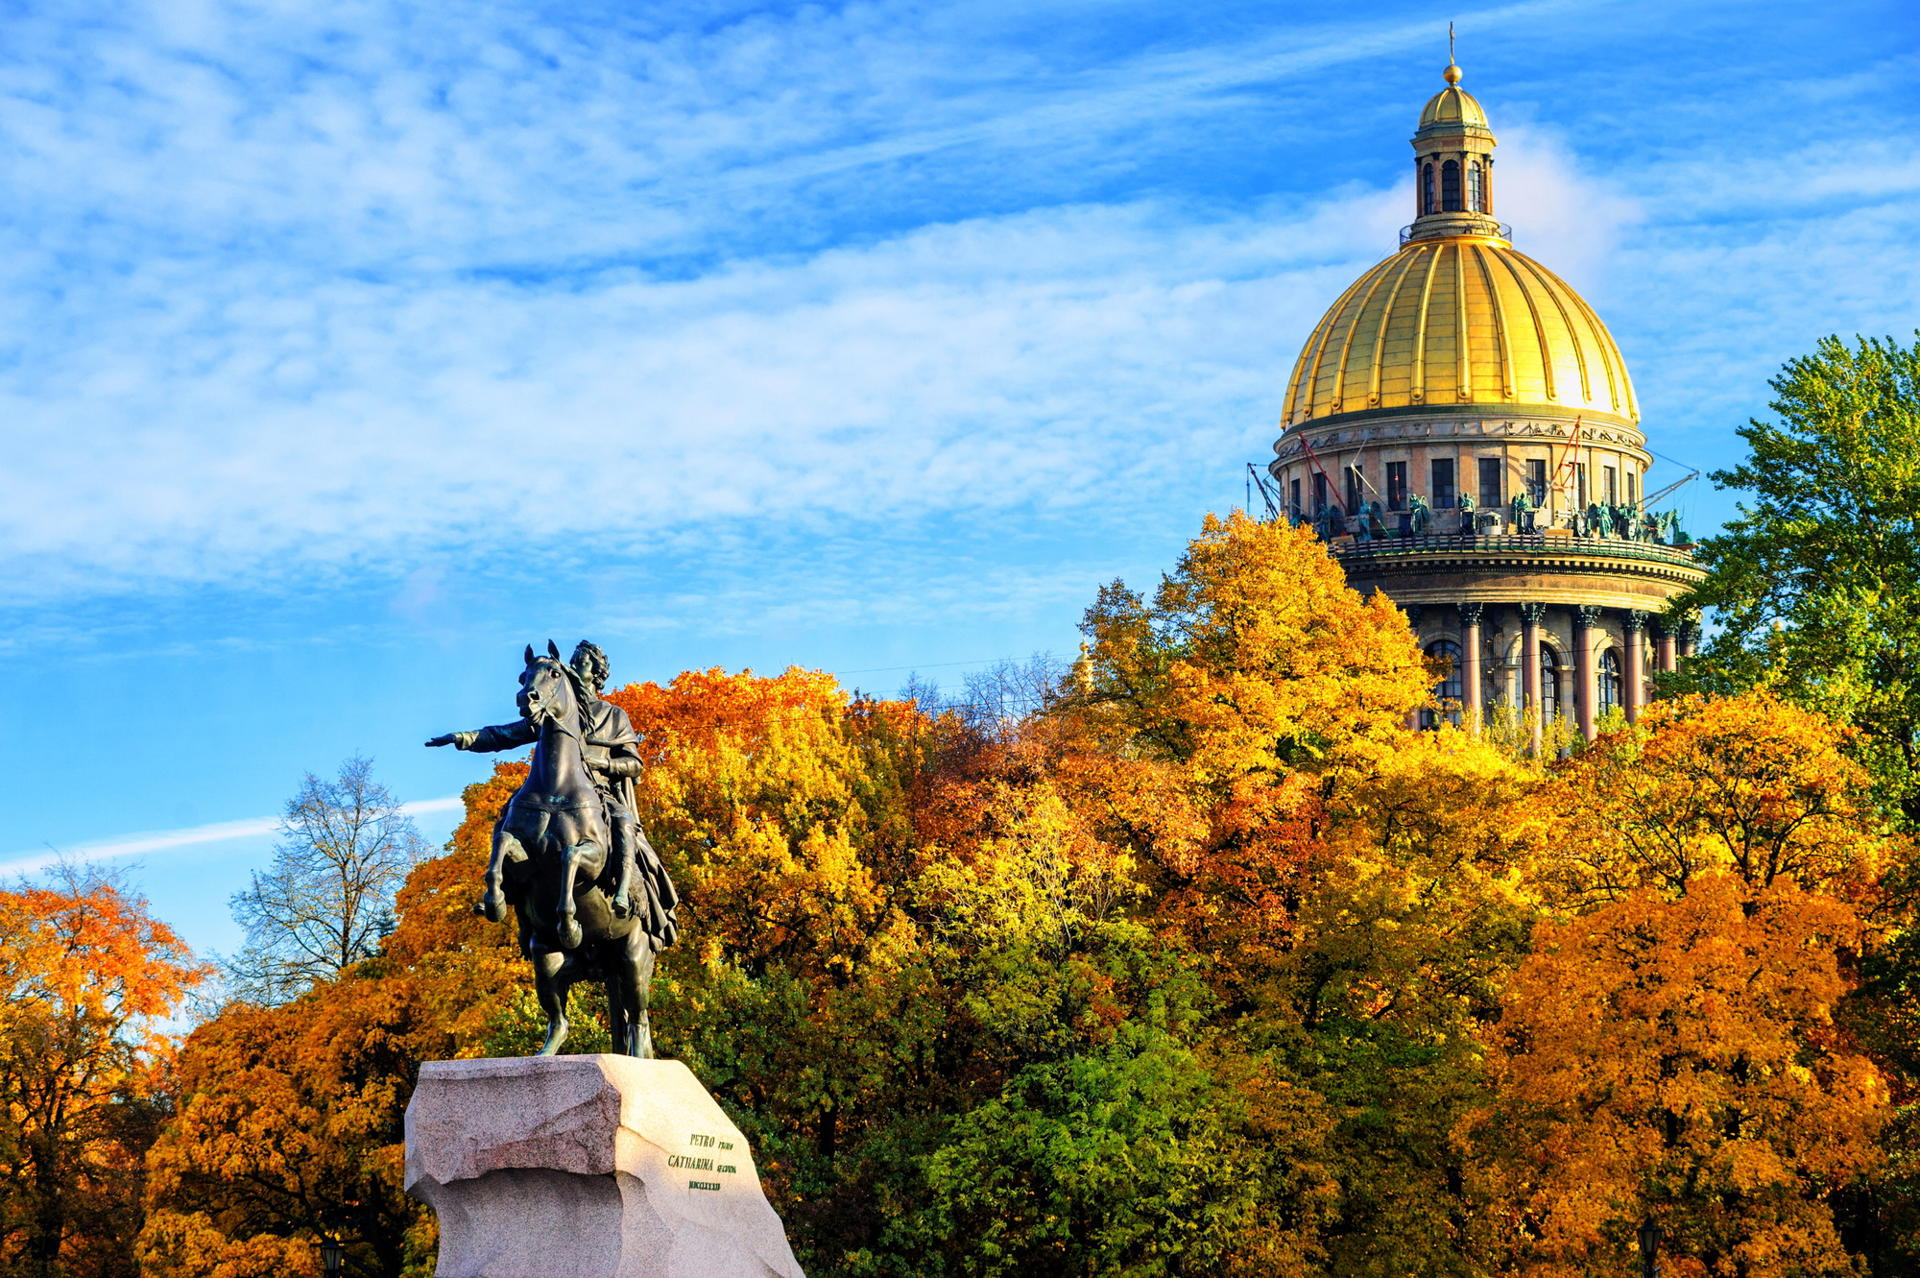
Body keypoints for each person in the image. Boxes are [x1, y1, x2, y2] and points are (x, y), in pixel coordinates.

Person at [428, 642, 679, 946]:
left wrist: (602, 762)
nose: (576, 666)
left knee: (623, 820)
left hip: (597, 792)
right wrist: (462, 737)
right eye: (573, 661)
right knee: (508, 814)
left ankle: (625, 891)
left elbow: (633, 764)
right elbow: (504, 734)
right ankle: (503, 889)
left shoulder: (613, 715)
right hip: (550, 795)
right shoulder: (549, 711)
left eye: (583, 663)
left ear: (597, 674)